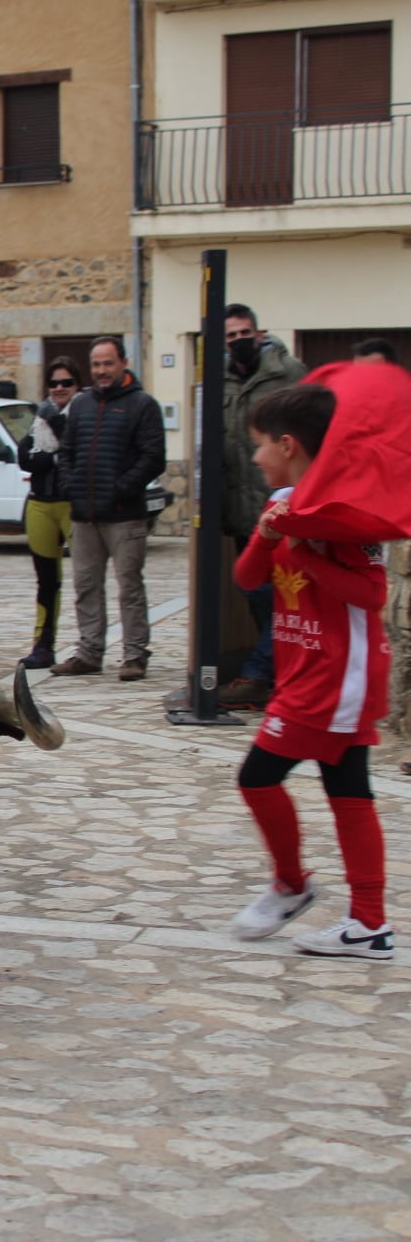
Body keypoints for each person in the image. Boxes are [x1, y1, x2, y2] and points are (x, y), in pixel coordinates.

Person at [228, 383, 393, 959]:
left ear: (289, 444)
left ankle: (294, 886)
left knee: (257, 776)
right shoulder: (289, 502)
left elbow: (370, 595)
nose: (254, 456)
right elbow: (249, 577)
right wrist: (271, 534)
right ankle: (368, 923)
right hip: (304, 672)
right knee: (349, 791)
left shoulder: (346, 514)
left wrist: (301, 552)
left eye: (260, 445)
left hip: (338, 678)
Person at [51, 337, 166, 681]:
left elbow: (153, 457)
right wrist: (70, 485)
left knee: (129, 586)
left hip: (125, 515)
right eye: (96, 364)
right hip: (84, 515)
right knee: (86, 585)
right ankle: (89, 652)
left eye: (108, 363)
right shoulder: (82, 404)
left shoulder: (143, 404)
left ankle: (134, 655)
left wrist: (122, 488)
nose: (101, 371)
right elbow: (66, 451)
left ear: (123, 363)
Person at [218, 304, 308, 711]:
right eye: (230, 336)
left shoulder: (289, 373)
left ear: (259, 333)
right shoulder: (218, 381)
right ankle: (271, 674)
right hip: (243, 513)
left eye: (244, 333)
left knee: (286, 597)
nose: (238, 341)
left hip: (285, 507)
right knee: (255, 594)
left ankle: (260, 675)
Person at [16, 356, 81, 669]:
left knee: (85, 578)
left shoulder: (83, 413)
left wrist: (49, 458)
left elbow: (78, 454)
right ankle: (43, 644)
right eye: (54, 383)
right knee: (46, 579)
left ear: (77, 386)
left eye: (66, 382)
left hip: (72, 503)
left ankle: (88, 646)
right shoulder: (39, 417)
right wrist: (54, 459)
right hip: (40, 502)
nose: (59, 388)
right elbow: (24, 457)